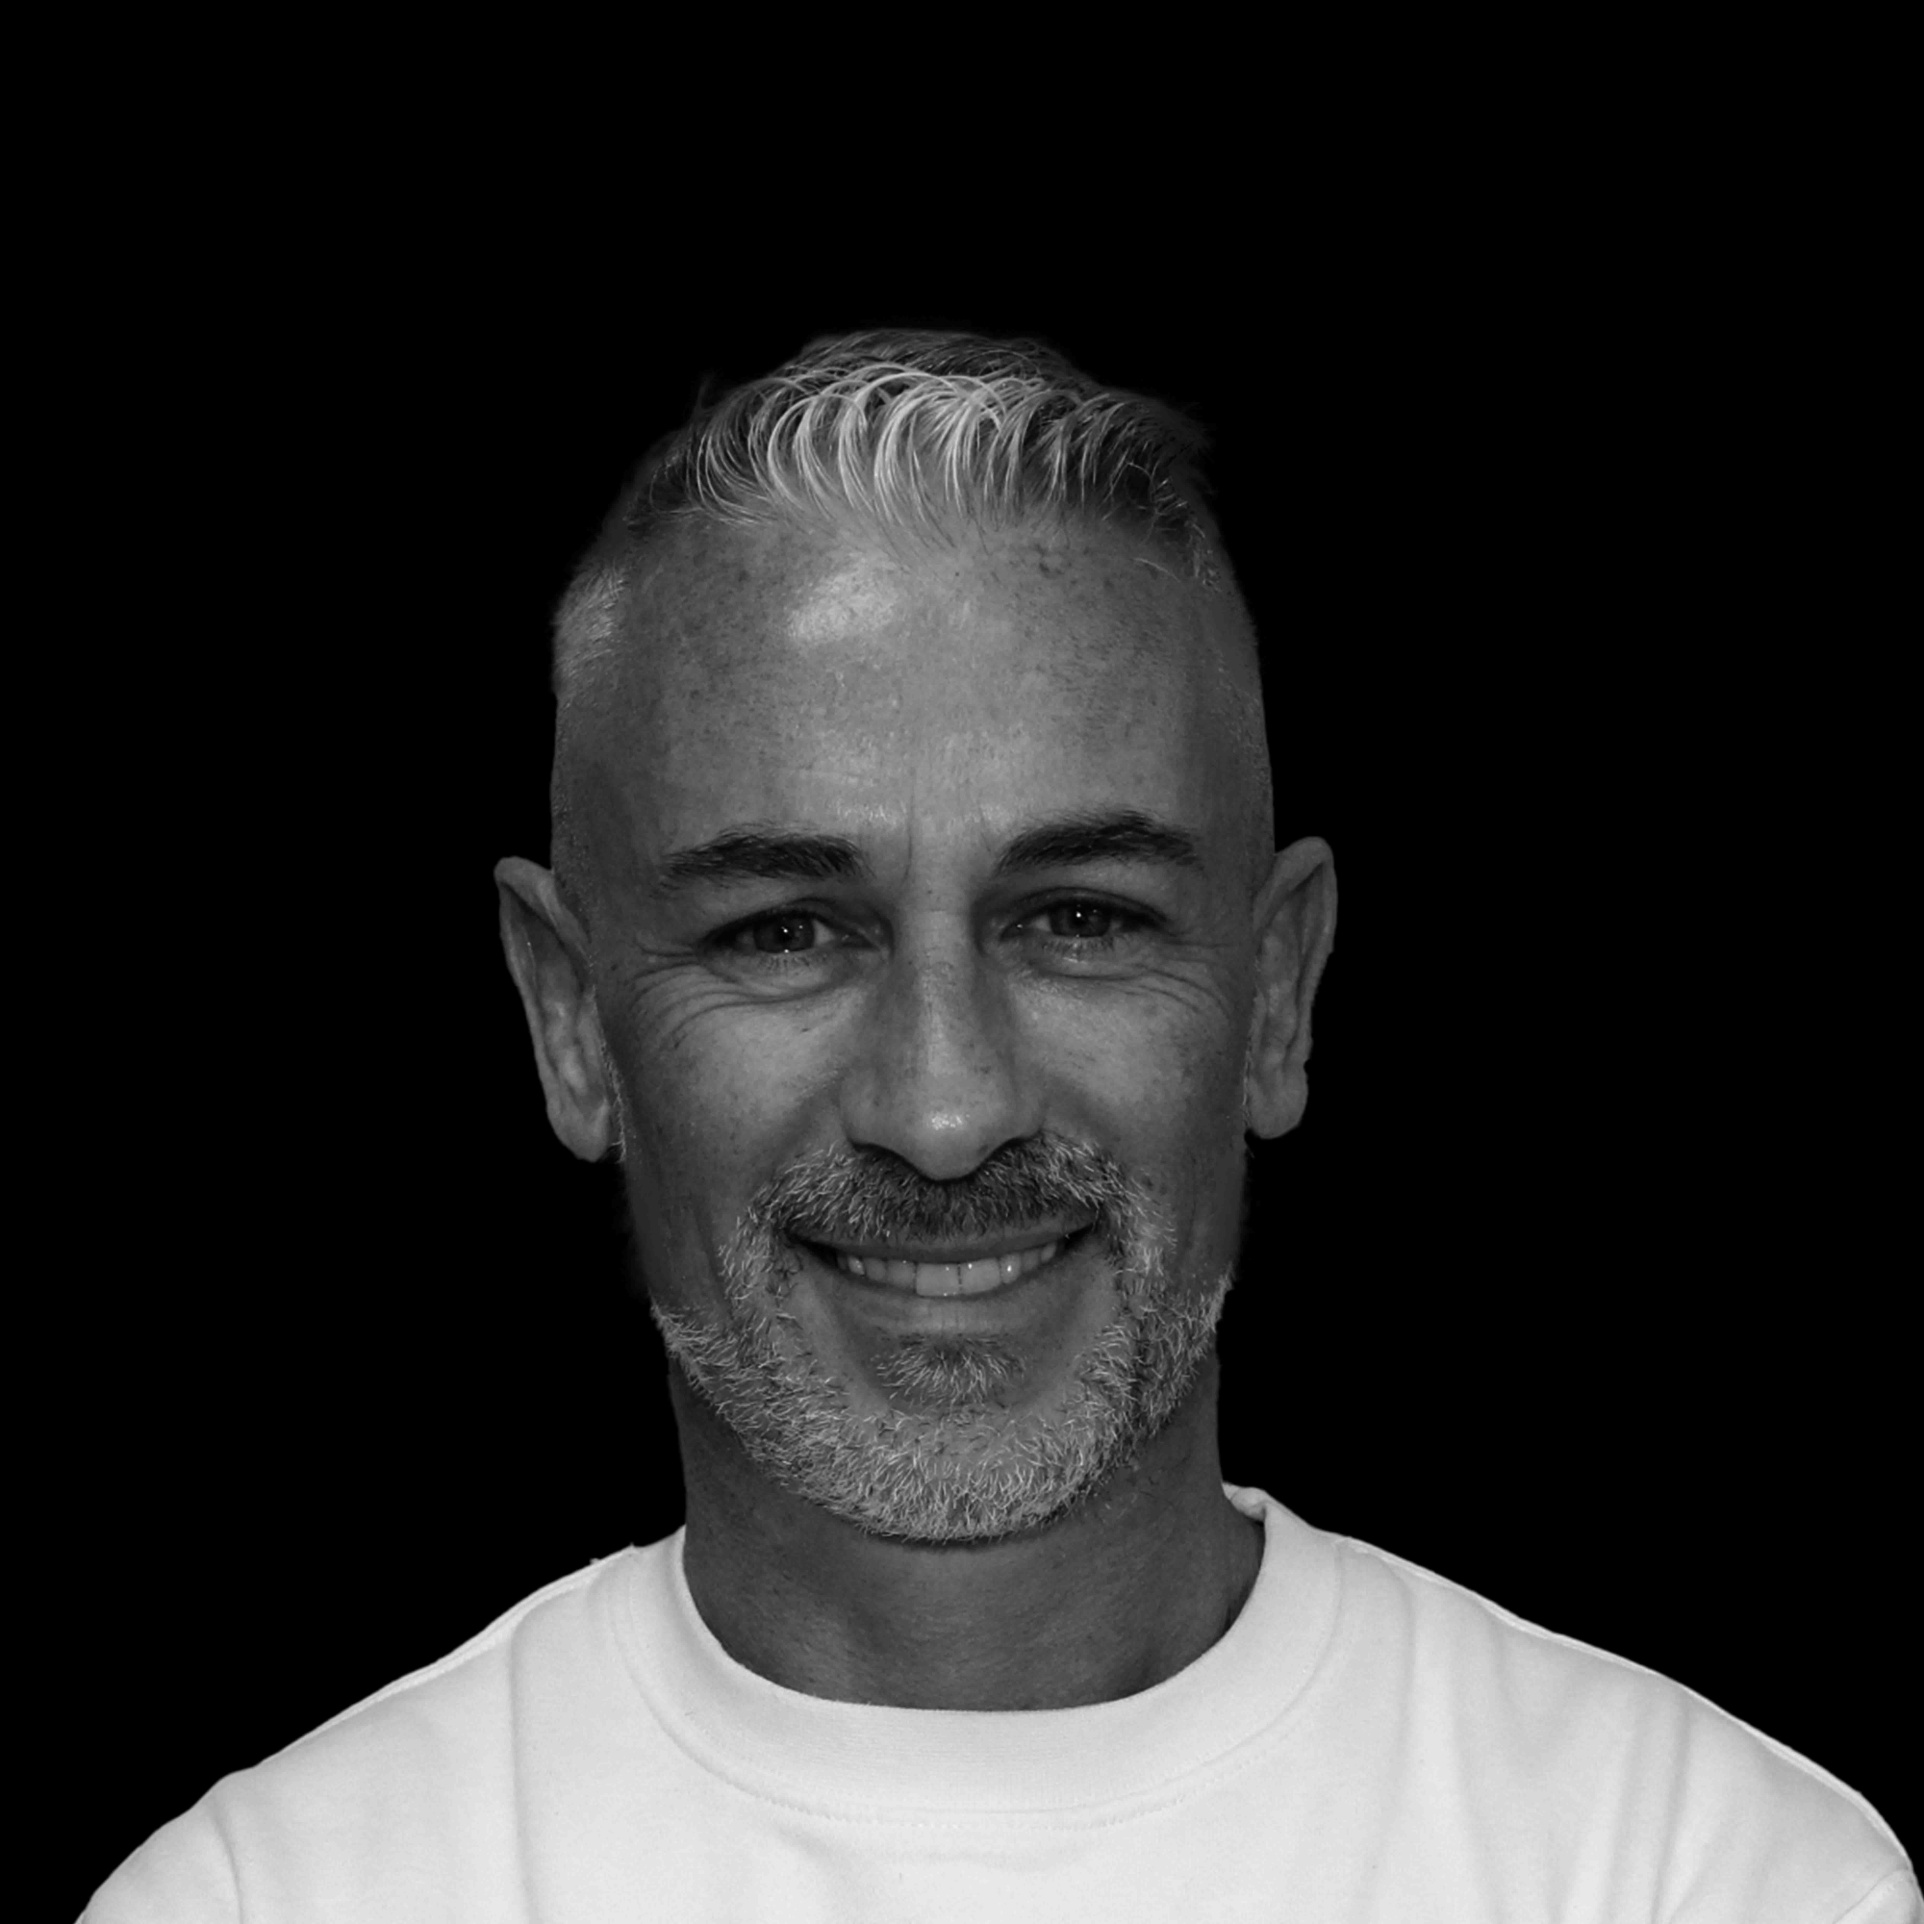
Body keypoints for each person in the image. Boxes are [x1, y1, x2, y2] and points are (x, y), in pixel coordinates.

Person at [86, 329, 1916, 1923]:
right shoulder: (273, 1900)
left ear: (1278, 995)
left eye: (1080, 919)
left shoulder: (1694, 1877)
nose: (947, 1111)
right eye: (786, 932)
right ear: (572, 1023)